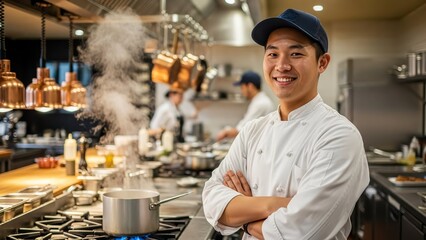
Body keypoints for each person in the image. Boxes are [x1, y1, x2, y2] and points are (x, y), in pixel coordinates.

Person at [202, 8, 369, 240]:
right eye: (272, 54)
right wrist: (274, 205)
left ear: (322, 63)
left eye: (296, 54)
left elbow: (301, 232)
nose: (281, 66)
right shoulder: (253, 130)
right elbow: (211, 199)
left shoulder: (339, 135)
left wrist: (245, 219)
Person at [216, 71, 275, 141]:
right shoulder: (259, 101)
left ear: (250, 86)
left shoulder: (260, 104)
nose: (242, 91)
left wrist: (225, 132)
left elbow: (242, 129)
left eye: (242, 87)